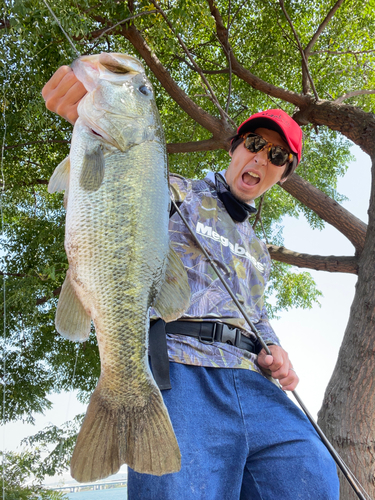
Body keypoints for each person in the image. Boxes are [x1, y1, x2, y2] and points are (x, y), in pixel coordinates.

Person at [43, 66, 340, 499]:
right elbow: (117, 188)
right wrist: (93, 120)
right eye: (255, 144)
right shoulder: (178, 191)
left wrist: (277, 350)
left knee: (312, 478)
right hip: (183, 368)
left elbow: (256, 315)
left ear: (284, 173)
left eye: (277, 157)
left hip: (254, 381)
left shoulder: (259, 251)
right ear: (236, 147)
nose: (261, 158)